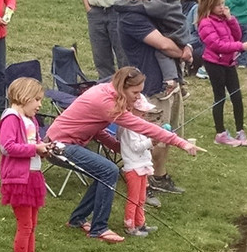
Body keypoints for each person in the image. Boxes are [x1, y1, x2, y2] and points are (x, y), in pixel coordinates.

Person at [46, 67, 198, 243]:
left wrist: (118, 148)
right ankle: (99, 229)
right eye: (135, 92)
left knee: (103, 171)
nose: (138, 96)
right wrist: (180, 142)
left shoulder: (106, 93)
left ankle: (77, 219)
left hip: (64, 143)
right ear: (122, 87)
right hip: (58, 147)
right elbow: (142, 126)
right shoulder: (106, 101)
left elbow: (94, 129)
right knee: (109, 170)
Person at [116, 0, 194, 197]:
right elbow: (163, 44)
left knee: (167, 134)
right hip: (147, 88)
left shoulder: (151, 6)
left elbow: (175, 27)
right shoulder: (130, 16)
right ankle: (144, 183)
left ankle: (159, 176)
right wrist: (184, 52)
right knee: (151, 138)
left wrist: (187, 43)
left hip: (168, 83)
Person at [0, 77, 57, 252]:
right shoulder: (11, 117)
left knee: (32, 225)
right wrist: (34, 149)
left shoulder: (29, 119)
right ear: (24, 97)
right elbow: (7, 146)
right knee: (25, 225)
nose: (40, 104)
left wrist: (43, 149)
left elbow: (31, 144)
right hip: (19, 180)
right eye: (37, 99)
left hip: (33, 176)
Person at [197, 0, 247, 146]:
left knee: (237, 96)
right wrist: (240, 47)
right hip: (214, 63)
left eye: (223, 4)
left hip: (229, 62)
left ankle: (240, 130)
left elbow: (237, 35)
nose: (222, 7)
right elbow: (217, 45)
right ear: (209, 5)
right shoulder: (205, 23)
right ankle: (220, 133)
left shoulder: (224, 19)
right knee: (220, 96)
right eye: (218, 5)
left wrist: (231, 19)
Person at [118, 94, 159, 237]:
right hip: (134, 168)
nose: (144, 113)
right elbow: (136, 147)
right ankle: (130, 226)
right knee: (133, 198)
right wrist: (151, 142)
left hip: (142, 166)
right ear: (131, 109)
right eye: (141, 111)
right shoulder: (129, 128)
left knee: (141, 198)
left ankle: (140, 223)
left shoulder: (138, 125)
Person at [180, 0, 205, 77]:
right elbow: (197, 27)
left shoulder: (182, 6)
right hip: (192, 37)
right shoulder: (196, 7)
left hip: (182, 36)